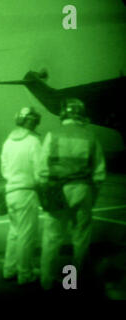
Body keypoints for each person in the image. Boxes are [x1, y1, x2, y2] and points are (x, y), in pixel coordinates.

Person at [37, 98, 106, 290]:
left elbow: (42, 169)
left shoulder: (53, 135)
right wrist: (92, 196)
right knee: (80, 240)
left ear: (64, 115)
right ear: (81, 115)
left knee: (52, 237)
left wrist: (46, 190)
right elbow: (99, 173)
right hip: (83, 189)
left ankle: (46, 282)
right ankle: (73, 283)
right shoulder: (90, 136)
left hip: (58, 189)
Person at [1, 107, 42, 285]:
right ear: (31, 121)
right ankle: (25, 273)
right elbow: (40, 171)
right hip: (26, 192)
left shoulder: (8, 142)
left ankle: (9, 269)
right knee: (26, 234)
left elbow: (4, 169)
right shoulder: (33, 142)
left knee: (14, 232)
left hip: (10, 191)